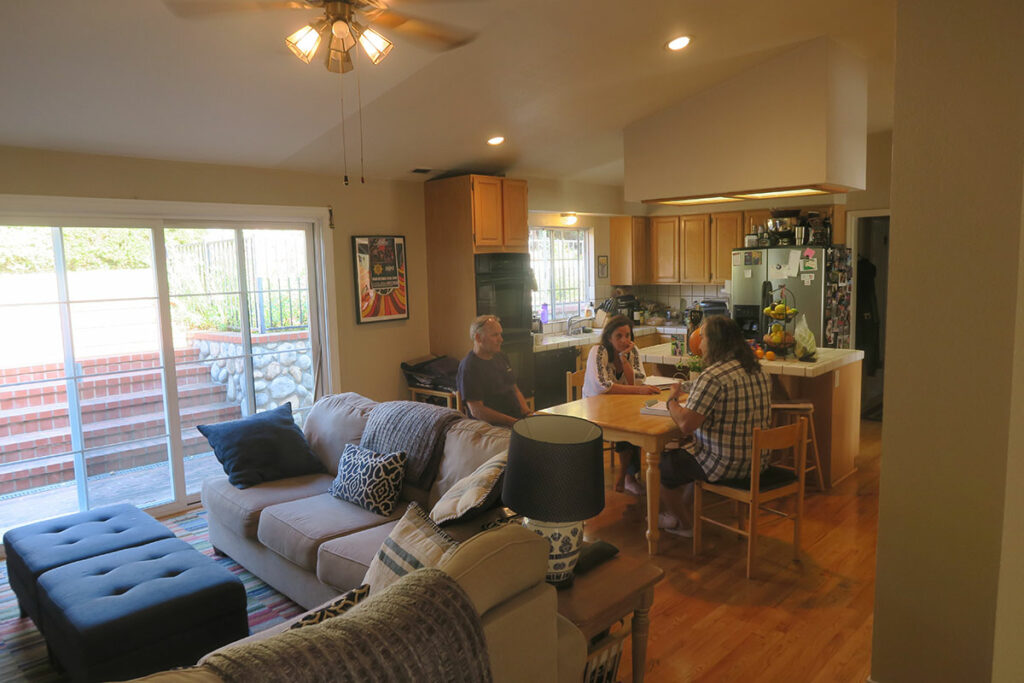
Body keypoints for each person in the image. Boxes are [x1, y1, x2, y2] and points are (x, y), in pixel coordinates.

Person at [658, 315, 771, 537]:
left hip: (725, 465)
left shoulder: (713, 376)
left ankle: (684, 523)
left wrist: (671, 400)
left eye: (703, 338)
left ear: (716, 341)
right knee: (690, 453)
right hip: (758, 463)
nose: (699, 344)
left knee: (666, 466)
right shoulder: (759, 370)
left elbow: (686, 424)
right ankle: (686, 509)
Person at [582, 315, 660, 494]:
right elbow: (603, 386)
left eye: (627, 335)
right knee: (628, 425)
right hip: (595, 410)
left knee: (634, 425)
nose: (625, 340)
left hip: (620, 406)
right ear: (609, 337)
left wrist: (624, 359)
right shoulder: (598, 351)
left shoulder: (632, 351)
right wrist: (638, 391)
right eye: (619, 336)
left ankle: (627, 477)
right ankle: (626, 478)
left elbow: (638, 382)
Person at [457, 315, 532, 427]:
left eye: (500, 334)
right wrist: (512, 422)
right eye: (495, 335)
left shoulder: (500, 356)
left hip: (515, 421)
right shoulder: (469, 367)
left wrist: (528, 413)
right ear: (478, 338)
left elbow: (514, 388)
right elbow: (477, 410)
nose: (501, 339)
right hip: (491, 428)